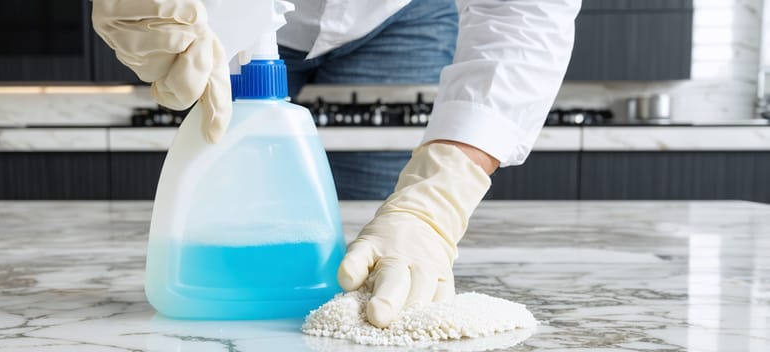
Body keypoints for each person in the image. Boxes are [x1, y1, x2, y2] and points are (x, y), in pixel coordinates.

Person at [92, 0, 581, 328]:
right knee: (224, 173)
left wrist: (435, 202)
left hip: (391, 17)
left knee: (371, 262)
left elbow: (525, 12)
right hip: (218, 13)